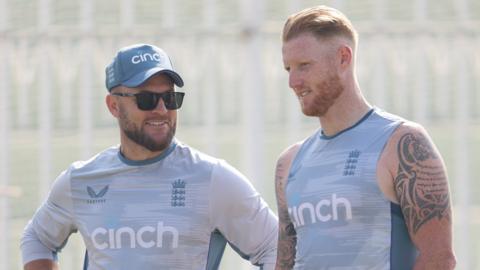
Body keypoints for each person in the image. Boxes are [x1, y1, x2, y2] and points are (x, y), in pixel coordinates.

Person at [21, 43, 278, 270]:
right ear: (113, 105)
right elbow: (37, 238)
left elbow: (275, 245)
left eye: (169, 97)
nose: (162, 110)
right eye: (146, 99)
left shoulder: (213, 178)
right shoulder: (81, 179)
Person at [274, 6, 456, 270]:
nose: (293, 81)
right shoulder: (288, 163)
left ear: (343, 58)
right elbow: (284, 264)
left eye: (304, 66)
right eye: (288, 68)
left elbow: (440, 260)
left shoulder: (402, 143)